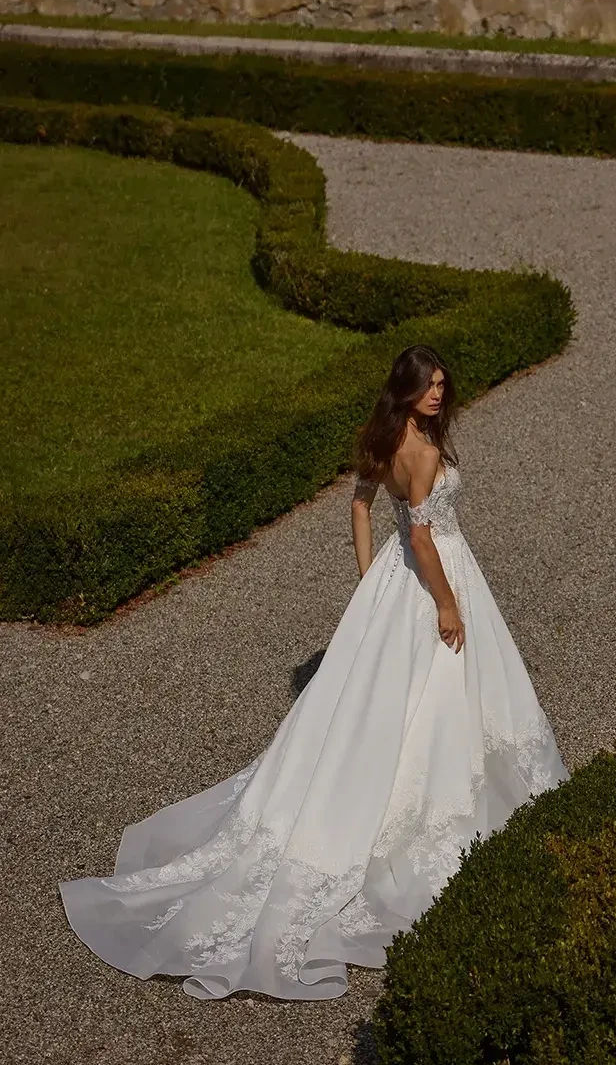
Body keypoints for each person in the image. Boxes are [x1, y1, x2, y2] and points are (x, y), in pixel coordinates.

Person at [59, 344, 570, 1002]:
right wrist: (444, 604)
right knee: (442, 697)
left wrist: (369, 577)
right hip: (434, 578)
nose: (440, 394)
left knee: (391, 701)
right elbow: (419, 537)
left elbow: (361, 505)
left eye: (444, 384)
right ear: (407, 389)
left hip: (395, 583)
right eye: (430, 386)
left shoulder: (383, 441)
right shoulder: (426, 456)